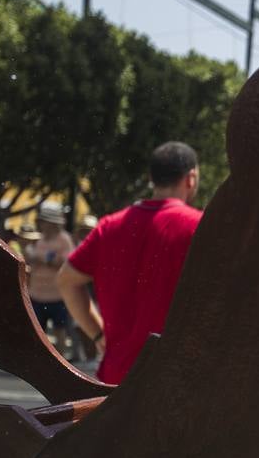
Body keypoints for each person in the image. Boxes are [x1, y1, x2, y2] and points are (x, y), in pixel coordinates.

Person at [57, 142, 203, 386]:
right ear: (191, 178)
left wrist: (98, 333)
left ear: (151, 178)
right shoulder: (200, 228)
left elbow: (66, 280)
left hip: (115, 380)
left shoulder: (109, 227)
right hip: (174, 381)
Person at [23, 201, 76, 357]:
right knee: (37, 330)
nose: (41, 224)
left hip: (57, 294)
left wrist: (42, 259)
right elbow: (30, 260)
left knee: (60, 329)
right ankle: (38, 359)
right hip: (37, 293)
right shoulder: (38, 239)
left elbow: (64, 262)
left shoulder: (64, 240)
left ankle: (61, 361)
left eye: (44, 221)